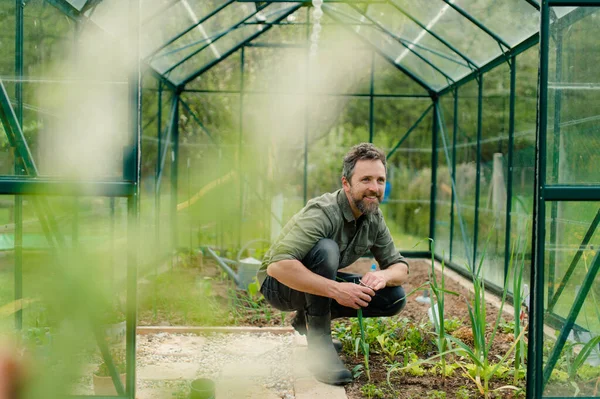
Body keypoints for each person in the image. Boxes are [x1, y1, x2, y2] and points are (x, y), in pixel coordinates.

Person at [257, 143, 409, 385]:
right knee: (326, 249)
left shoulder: (373, 217)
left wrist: (384, 276)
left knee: (395, 297)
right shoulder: (323, 212)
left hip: (313, 285)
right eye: (366, 179)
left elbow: (400, 267)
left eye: (380, 180)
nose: (374, 188)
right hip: (279, 286)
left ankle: (305, 319)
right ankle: (319, 345)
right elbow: (278, 266)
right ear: (346, 183)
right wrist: (337, 290)